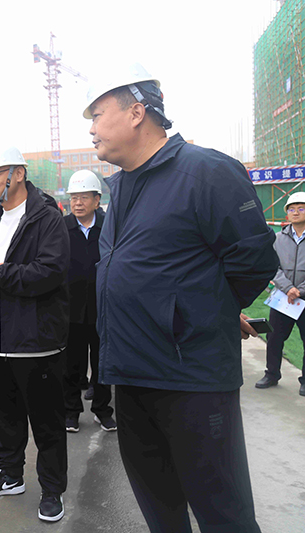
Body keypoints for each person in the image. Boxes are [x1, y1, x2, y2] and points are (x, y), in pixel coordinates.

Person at [84, 63, 278, 533]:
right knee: (161, 513)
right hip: (131, 375)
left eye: (97, 114)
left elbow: (254, 261)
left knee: (223, 515)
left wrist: (203, 313)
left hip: (191, 381)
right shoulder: (121, 186)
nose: (91, 129)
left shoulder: (206, 172)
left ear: (136, 112)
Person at [0, 147, 69, 523]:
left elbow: (50, 272)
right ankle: (10, 475)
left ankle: (52, 490)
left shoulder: (46, 217)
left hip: (36, 343)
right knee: (6, 418)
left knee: (47, 424)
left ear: (19, 173)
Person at [62, 170, 116, 433]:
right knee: (71, 364)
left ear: (97, 200)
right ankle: (71, 412)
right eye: (74, 198)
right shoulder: (62, 228)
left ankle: (102, 411)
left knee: (102, 363)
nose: (78, 203)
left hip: (102, 307)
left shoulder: (109, 226)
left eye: (84, 197)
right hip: (70, 308)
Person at [256, 190, 305, 396]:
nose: (296, 212)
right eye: (292, 209)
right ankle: (272, 374)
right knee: (274, 337)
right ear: (287, 214)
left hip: (303, 298)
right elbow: (272, 266)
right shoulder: (277, 238)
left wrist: (300, 291)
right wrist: (288, 288)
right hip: (283, 298)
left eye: (301, 208)